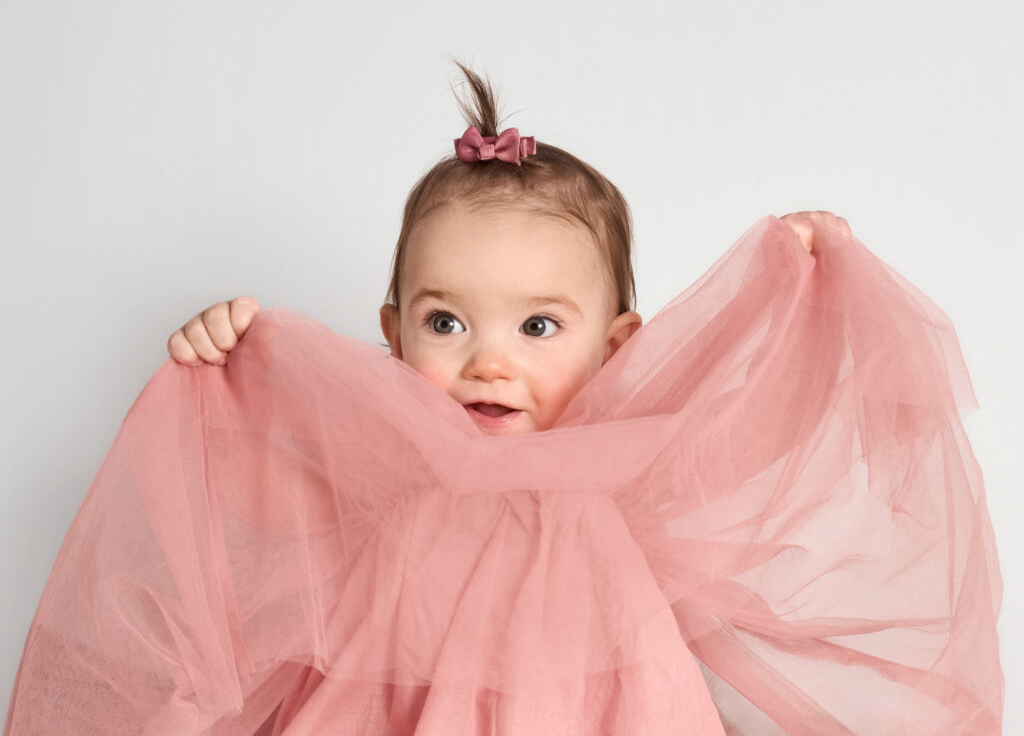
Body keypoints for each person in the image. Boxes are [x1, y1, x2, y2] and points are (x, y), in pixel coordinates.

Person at [5, 67, 1002, 735]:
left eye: (537, 328)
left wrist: (791, 295)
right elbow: (243, 516)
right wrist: (226, 364)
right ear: (390, 336)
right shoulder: (376, 465)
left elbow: (754, 444)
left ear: (617, 349)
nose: (488, 364)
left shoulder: (620, 463)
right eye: (447, 324)